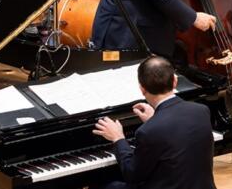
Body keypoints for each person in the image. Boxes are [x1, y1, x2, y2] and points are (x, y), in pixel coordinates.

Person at [92, 55, 216, 189]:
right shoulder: (201, 111)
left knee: (104, 183)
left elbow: (132, 175)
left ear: (142, 89)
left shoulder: (148, 131)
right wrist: (154, 119)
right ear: (175, 81)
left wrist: (118, 138)